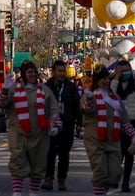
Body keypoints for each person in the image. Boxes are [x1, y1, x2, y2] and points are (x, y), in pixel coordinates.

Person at [0, 61, 60, 196]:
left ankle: (33, 192)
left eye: (34, 72)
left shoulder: (44, 90)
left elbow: (54, 110)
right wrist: (5, 90)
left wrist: (54, 124)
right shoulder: (14, 88)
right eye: (29, 72)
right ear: (24, 74)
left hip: (40, 134)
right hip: (18, 132)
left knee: (38, 164)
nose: (33, 75)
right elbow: (2, 104)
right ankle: (17, 192)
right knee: (17, 160)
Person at [81, 65, 135, 196]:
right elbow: (86, 109)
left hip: (113, 141)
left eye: (107, 78)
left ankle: (103, 191)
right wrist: (89, 99)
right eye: (102, 79)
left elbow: (124, 121)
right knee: (100, 173)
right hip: (95, 141)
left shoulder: (115, 99)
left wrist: (134, 137)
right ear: (96, 80)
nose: (106, 81)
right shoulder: (90, 96)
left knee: (115, 174)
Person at [112, 60, 135, 192]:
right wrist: (116, 77)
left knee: (129, 154)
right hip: (118, 121)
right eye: (123, 71)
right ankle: (116, 177)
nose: (126, 73)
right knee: (118, 152)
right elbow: (110, 94)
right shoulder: (113, 83)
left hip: (134, 121)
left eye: (128, 70)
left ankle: (126, 183)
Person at [43, 60, 81, 191]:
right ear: (53, 72)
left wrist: (79, 123)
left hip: (67, 125)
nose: (61, 73)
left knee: (64, 154)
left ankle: (61, 179)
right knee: (50, 153)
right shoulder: (46, 87)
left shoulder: (71, 87)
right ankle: (48, 178)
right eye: (59, 71)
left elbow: (77, 105)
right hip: (50, 125)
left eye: (63, 71)